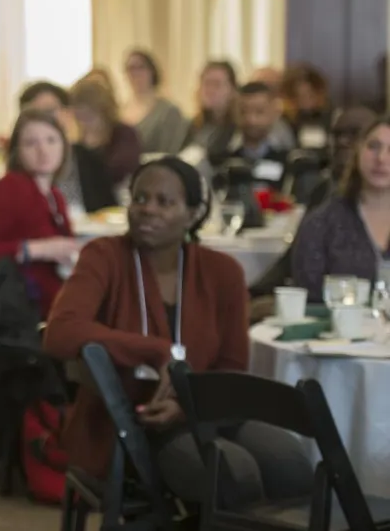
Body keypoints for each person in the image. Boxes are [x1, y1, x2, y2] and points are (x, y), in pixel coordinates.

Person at [43, 157, 312, 507]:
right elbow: (60, 332)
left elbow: (231, 368)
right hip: (133, 422)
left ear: (193, 213)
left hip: (210, 409)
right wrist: (156, 350)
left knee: (291, 462)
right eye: (140, 198)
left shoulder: (223, 272)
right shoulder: (104, 256)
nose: (148, 209)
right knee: (233, 473)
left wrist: (184, 406)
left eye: (165, 202)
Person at [0, 109, 79, 317]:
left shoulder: (55, 195)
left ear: (64, 146)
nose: (43, 150)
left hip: (57, 307)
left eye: (51, 140)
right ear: (17, 151)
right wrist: (35, 249)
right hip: (22, 313)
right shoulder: (8, 189)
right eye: (31, 143)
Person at [292, 116, 390, 302]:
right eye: (373, 146)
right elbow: (308, 301)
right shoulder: (322, 223)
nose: (381, 158)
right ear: (358, 151)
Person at [18, 81, 117, 213]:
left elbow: (109, 210)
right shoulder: (18, 173)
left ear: (68, 113)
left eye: (49, 111)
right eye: (34, 115)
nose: (43, 121)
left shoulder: (89, 160)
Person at [69, 76, 142, 186]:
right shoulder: (78, 139)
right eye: (79, 117)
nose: (84, 123)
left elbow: (119, 170)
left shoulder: (124, 134)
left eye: (89, 116)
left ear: (104, 111)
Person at [121, 49, 189, 155]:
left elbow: (169, 154)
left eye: (141, 67)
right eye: (131, 68)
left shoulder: (168, 111)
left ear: (152, 71)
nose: (135, 73)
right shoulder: (119, 110)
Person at [182, 60, 238, 161]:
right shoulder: (194, 125)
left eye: (217, 84)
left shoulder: (239, 129)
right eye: (206, 84)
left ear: (232, 90)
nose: (210, 91)